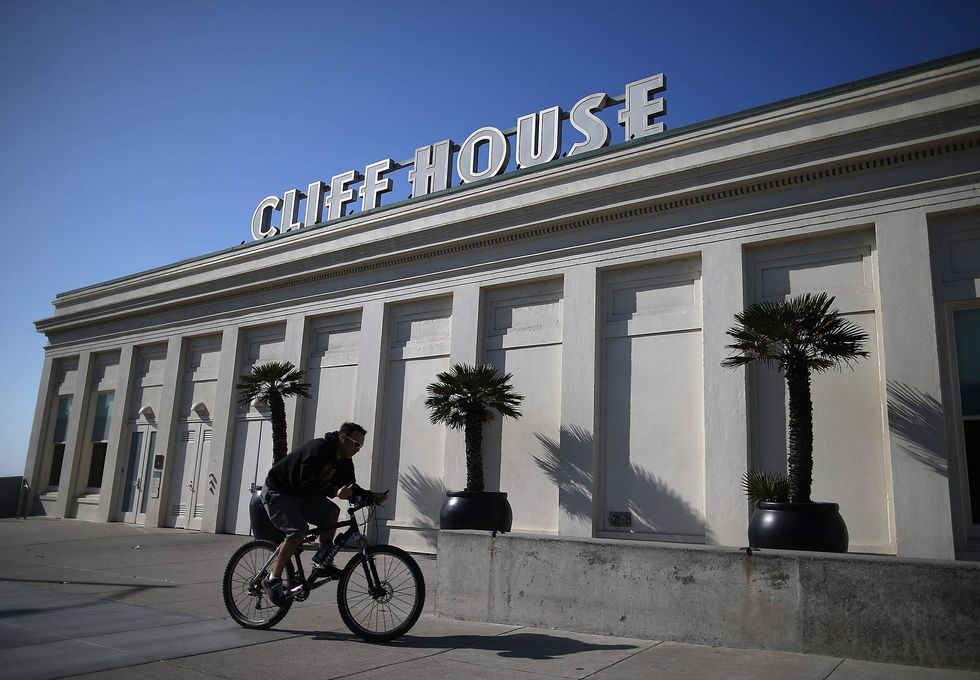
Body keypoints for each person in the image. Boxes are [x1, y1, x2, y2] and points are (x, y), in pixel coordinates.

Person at [260, 421, 386, 605]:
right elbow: (306, 480)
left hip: (302, 495)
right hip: (278, 491)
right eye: (356, 444)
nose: (358, 449)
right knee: (298, 531)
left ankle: (322, 559)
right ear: (343, 438)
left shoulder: (344, 459)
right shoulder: (319, 448)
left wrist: (371, 495)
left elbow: (350, 487)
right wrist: (335, 491)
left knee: (331, 512)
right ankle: (272, 579)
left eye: (361, 445)